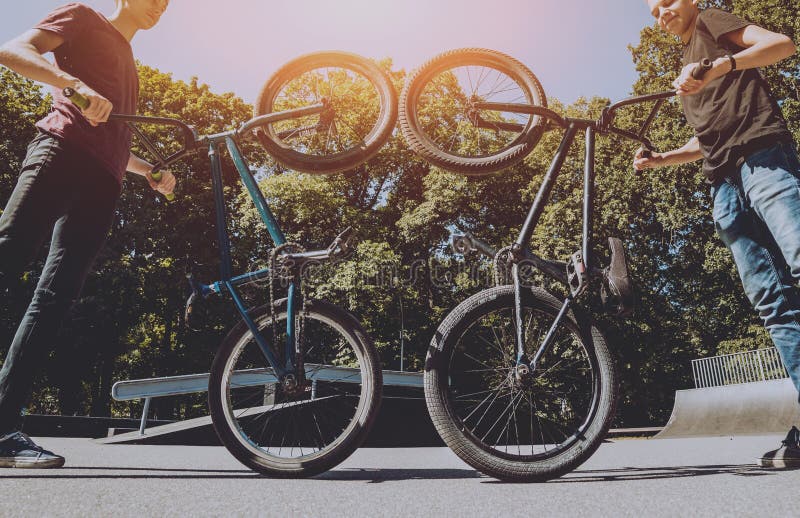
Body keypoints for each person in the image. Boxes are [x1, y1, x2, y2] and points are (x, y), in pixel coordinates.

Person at [0, 0, 175, 468]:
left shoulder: (131, 65)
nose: (160, 5)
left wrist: (147, 171)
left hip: (104, 180)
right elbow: (13, 50)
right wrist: (72, 84)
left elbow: (112, 137)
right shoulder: (82, 16)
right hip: (60, 152)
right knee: (7, 257)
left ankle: (1, 429)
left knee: (55, 298)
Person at [637, 0, 799, 467]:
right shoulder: (683, 66)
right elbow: (705, 139)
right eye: (652, 11)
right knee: (774, 303)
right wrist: (663, 159)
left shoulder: (710, 22)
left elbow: (781, 45)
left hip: (763, 159)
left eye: (666, 2)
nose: (661, 13)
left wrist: (721, 63)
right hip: (724, 185)